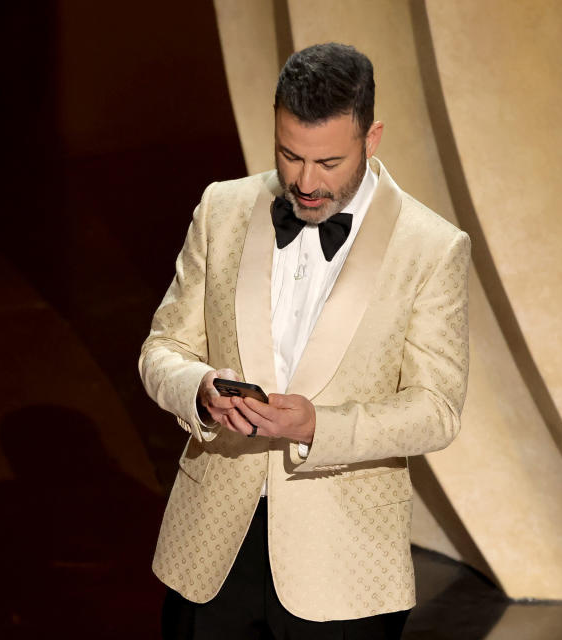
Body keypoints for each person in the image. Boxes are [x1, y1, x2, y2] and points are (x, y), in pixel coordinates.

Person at [139, 42, 470, 640]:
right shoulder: (223, 208)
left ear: (371, 140)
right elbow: (161, 349)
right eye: (289, 156)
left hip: (344, 568)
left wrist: (319, 425)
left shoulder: (431, 246)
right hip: (213, 548)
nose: (305, 181)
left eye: (328, 163)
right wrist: (201, 389)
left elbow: (437, 410)